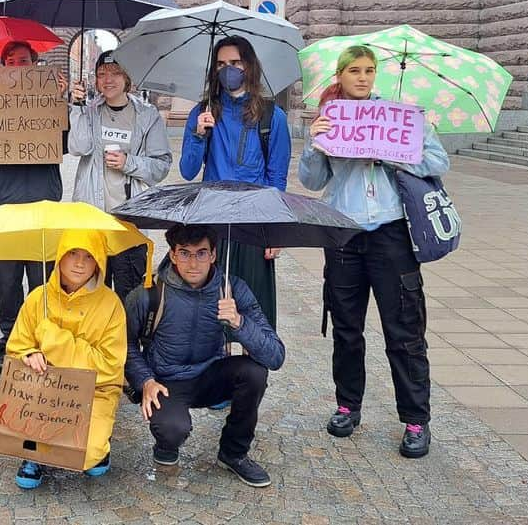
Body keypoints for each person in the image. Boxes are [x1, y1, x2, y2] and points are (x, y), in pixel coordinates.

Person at [298, 45, 450, 459]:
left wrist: (394, 154)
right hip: (344, 235)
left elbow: (439, 161)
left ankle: (416, 419)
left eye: (369, 70)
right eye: (354, 71)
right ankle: (348, 405)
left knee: (403, 331)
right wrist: (315, 144)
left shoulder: (399, 117)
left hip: (391, 234)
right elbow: (311, 180)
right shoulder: (331, 118)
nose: (363, 78)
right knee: (347, 329)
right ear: (340, 75)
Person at [125, 224, 284, 487]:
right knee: (172, 430)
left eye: (201, 254)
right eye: (185, 253)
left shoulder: (233, 289)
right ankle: (166, 444)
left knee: (254, 372)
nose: (193, 263)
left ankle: (233, 453)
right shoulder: (149, 292)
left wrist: (239, 323)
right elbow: (125, 345)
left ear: (213, 255)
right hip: (165, 383)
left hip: (210, 375)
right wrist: (145, 381)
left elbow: (276, 356)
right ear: (173, 255)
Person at [0, 41, 69, 373]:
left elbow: (67, 143)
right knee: (6, 282)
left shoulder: (48, 97)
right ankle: (10, 344)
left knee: (43, 281)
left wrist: (60, 100)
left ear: (34, 64)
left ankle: (42, 344)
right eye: (10, 62)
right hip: (5, 203)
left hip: (44, 200)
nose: (17, 66)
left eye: (23, 60)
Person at [178, 36, 291, 330]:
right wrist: (198, 134)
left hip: (254, 222)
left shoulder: (271, 116)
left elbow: (277, 176)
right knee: (212, 308)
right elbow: (188, 171)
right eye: (221, 64)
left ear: (249, 66)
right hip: (212, 220)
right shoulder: (203, 112)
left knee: (255, 310)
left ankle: (253, 370)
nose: (228, 69)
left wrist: (276, 230)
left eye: (235, 63)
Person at [5, 229, 128, 490]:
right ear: (59, 256)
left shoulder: (111, 304)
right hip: (42, 392)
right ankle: (34, 457)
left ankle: (100, 446)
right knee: (24, 436)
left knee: (87, 452)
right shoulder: (39, 297)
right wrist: (29, 353)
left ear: (99, 262)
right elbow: (16, 346)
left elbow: (110, 366)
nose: (80, 263)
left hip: (94, 392)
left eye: (88, 256)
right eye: (72, 253)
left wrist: (56, 341)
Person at [68, 51, 172, 298]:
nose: (108, 80)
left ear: (127, 78)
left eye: (115, 73)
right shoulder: (90, 111)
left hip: (129, 224)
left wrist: (129, 162)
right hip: (93, 220)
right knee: (91, 297)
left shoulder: (147, 116)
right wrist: (77, 107)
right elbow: (78, 147)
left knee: (130, 298)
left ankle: (129, 339)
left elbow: (161, 166)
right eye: (102, 74)